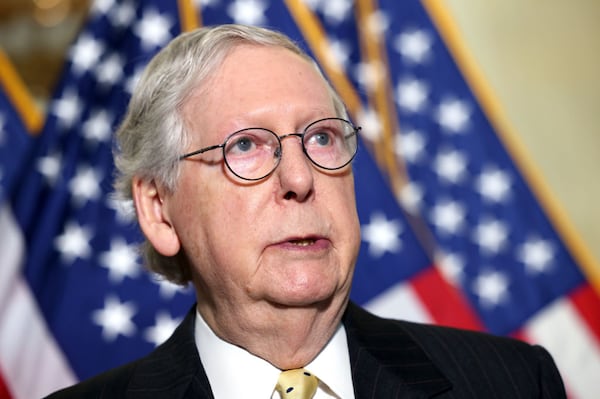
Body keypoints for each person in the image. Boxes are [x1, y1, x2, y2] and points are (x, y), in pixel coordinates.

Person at [46, 24, 566, 398]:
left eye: (320, 138)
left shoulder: (513, 382)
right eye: (245, 146)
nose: (299, 179)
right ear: (159, 209)